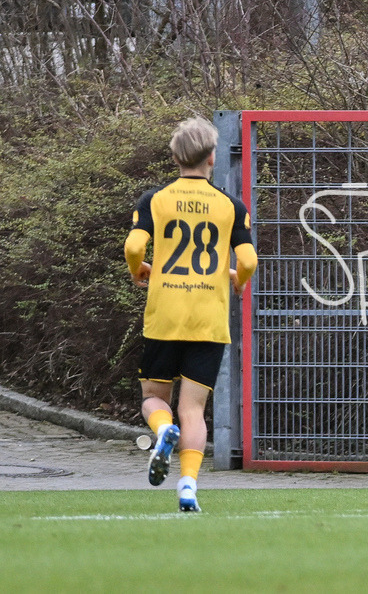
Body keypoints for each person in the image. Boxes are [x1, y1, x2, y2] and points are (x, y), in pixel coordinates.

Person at [124, 117, 258, 512]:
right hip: (208, 320)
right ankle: (187, 487)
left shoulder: (154, 199)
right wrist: (238, 280)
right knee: (194, 409)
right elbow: (248, 259)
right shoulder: (231, 206)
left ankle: (164, 430)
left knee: (153, 398)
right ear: (212, 157)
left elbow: (133, 248)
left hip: (165, 315)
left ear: (175, 157)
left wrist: (138, 269)